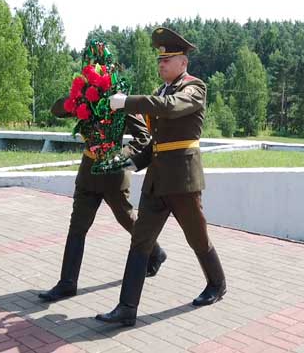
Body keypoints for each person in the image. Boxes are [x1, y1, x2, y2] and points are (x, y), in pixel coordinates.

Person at [95, 27, 226, 326]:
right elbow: (156, 141)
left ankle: (217, 284)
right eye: (160, 60)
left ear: (183, 63)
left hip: (182, 180)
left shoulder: (194, 88)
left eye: (168, 59)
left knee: (197, 236)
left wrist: (127, 101)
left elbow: (170, 109)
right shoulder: (159, 92)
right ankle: (127, 308)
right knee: (140, 240)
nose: (161, 64)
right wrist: (129, 162)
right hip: (157, 179)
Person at [37, 99, 167, 302]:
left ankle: (156, 252)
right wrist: (76, 96)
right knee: (77, 227)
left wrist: (119, 156)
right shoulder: (86, 99)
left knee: (127, 219)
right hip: (88, 174)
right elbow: (56, 110)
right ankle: (67, 283)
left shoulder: (121, 101)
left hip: (113, 176)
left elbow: (143, 137)